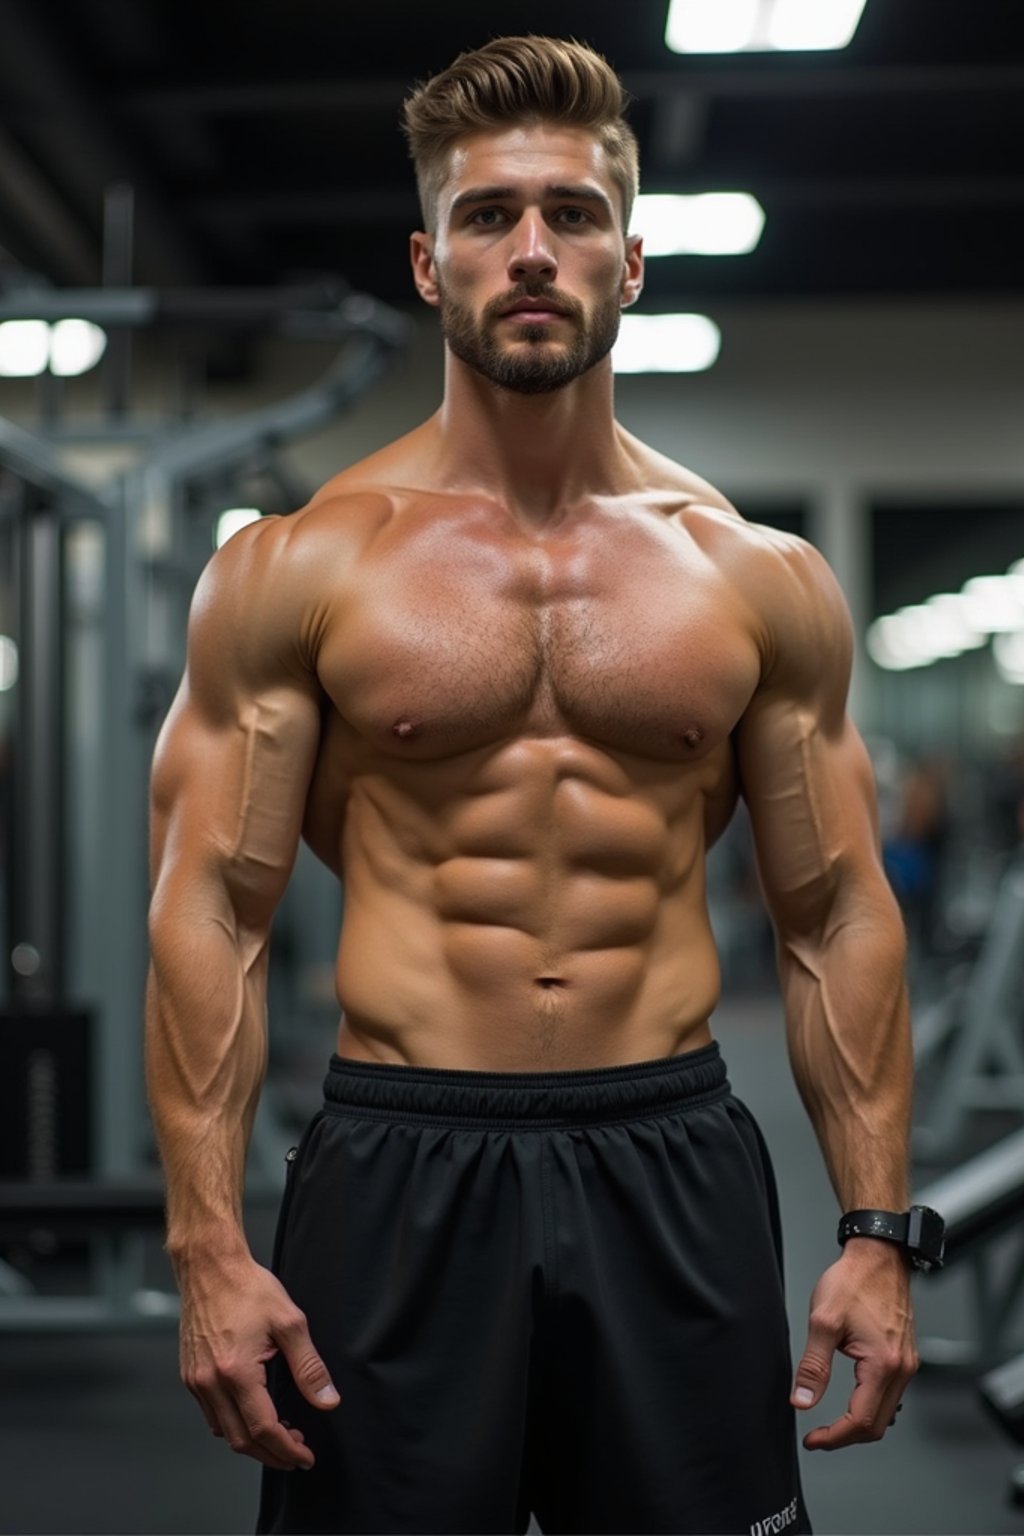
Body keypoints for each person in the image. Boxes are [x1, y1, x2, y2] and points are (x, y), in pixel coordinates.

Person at [146, 36, 922, 1536]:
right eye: (490, 217)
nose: (531, 251)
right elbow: (213, 914)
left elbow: (833, 915)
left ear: (631, 262)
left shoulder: (757, 579)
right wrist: (206, 1251)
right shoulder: (301, 565)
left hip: (673, 1155)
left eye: (570, 216)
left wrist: (878, 1231)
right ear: (428, 264)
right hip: (398, 1160)